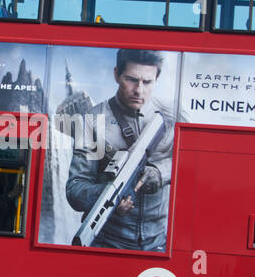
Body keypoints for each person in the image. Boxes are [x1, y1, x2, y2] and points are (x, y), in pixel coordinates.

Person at [65, 48, 174, 251]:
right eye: (131, 79)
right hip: (108, 242)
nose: (139, 90)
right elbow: (75, 188)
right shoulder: (92, 120)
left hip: (158, 242)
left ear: (156, 80)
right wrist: (107, 195)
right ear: (117, 74)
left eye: (147, 82)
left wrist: (161, 173)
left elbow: (196, 162)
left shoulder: (170, 116)